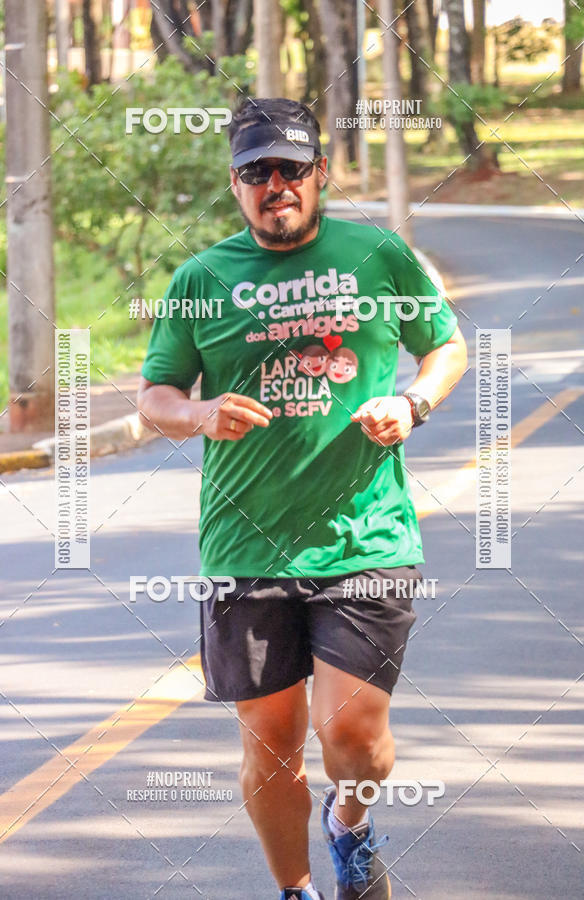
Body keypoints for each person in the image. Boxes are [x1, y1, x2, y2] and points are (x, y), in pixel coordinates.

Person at [137, 97, 467, 900]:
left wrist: (412, 403)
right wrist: (200, 412)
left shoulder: (378, 255)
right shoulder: (203, 278)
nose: (275, 184)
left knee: (354, 737)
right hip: (246, 547)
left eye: (291, 167)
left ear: (321, 172)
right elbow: (155, 396)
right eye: (257, 172)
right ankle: (297, 891)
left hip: (368, 536)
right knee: (271, 745)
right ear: (236, 184)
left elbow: (447, 346)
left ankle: (350, 823)